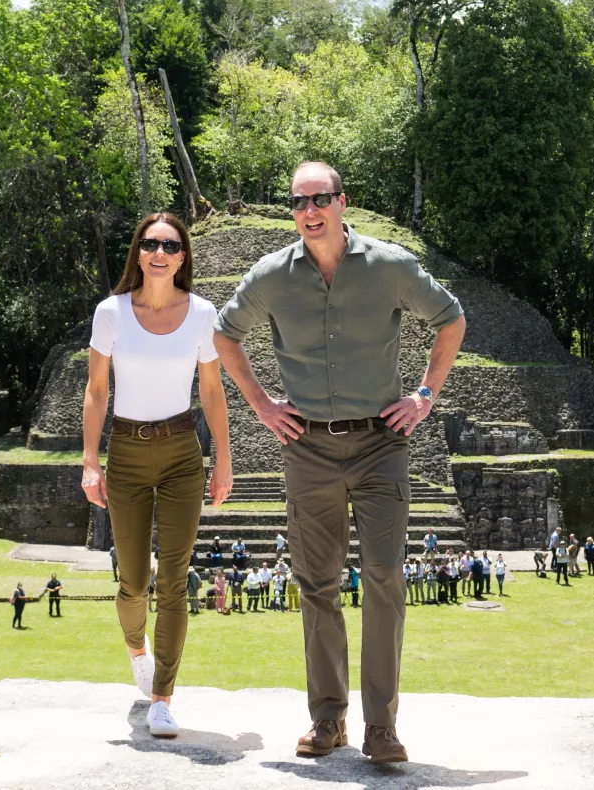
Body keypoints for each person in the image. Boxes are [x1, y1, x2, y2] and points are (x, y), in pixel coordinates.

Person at [214, 162, 466, 763]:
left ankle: (382, 726)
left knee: (384, 577)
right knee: (317, 586)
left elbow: (450, 319)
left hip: (381, 444)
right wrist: (260, 404)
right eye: (299, 202)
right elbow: (226, 336)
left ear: (341, 201)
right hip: (308, 449)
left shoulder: (390, 266)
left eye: (320, 198)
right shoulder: (271, 276)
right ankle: (328, 719)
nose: (310, 211)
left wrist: (425, 396)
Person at [81, 212, 234, 739]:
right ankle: (137, 650)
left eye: (170, 244)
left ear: (183, 254)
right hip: (125, 450)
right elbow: (97, 390)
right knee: (132, 581)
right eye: (150, 244)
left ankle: (163, 697)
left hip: (180, 455)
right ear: (138, 253)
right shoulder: (111, 312)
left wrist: (225, 461)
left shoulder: (203, 313)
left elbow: (212, 391)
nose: (160, 252)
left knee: (173, 578)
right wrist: (89, 461)